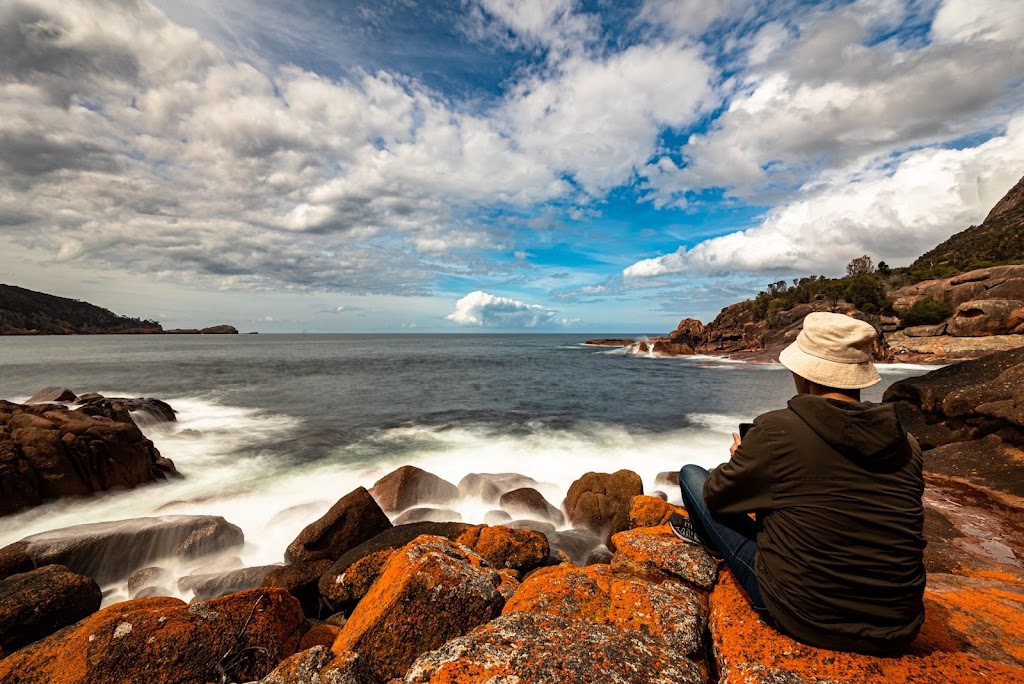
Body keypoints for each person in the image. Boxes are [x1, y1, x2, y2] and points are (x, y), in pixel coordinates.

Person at [671, 312, 926, 655]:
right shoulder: (907, 443)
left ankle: (711, 543)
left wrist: (738, 460)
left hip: (803, 615)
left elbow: (718, 497)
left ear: (804, 373)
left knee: (692, 475)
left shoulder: (776, 431)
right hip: (899, 625)